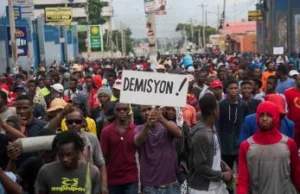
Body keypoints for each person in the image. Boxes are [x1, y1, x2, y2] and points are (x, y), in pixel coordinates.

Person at [237, 101, 300, 194]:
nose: (265, 118)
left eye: (269, 115)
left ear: (275, 117)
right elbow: (242, 179)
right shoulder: (246, 146)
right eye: (261, 115)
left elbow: (296, 173)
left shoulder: (289, 144)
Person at [189, 93, 231, 194]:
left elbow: (211, 155)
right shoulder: (201, 135)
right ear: (215, 112)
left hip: (217, 186)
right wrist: (222, 175)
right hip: (203, 189)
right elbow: (200, 167)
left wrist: (222, 163)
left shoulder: (212, 128)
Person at [134, 105, 182, 194]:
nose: (147, 112)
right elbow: (137, 142)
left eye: (149, 109)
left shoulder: (168, 124)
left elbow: (179, 134)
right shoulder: (139, 129)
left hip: (171, 184)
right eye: (144, 110)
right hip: (150, 186)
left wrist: (162, 119)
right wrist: (147, 126)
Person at [35, 131, 102, 194]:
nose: (65, 159)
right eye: (61, 155)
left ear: (77, 152)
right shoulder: (46, 171)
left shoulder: (92, 172)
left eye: (69, 154)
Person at [100, 102, 138, 194]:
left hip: (131, 179)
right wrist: (104, 183)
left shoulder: (136, 130)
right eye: (119, 110)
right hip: (112, 179)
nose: (122, 112)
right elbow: (102, 158)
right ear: (115, 111)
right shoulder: (106, 131)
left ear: (129, 111)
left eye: (125, 109)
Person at [218, 79, 249, 170]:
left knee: (241, 169)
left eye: (235, 88)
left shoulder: (243, 105)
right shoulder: (221, 105)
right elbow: (218, 123)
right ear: (227, 89)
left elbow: (245, 123)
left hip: (239, 142)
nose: (234, 90)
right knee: (227, 169)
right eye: (231, 88)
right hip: (225, 144)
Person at [284, 74, 300, 147]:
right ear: (296, 80)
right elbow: (286, 109)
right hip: (293, 125)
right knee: (293, 146)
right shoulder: (288, 92)